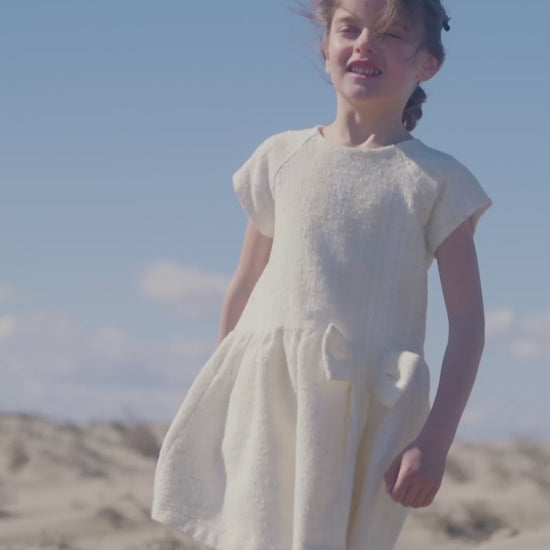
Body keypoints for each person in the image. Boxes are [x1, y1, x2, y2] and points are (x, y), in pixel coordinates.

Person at [151, 0, 492, 548]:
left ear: (428, 63)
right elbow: (246, 283)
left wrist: (435, 441)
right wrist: (221, 393)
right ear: (325, 46)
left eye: (390, 33)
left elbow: (469, 324)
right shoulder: (281, 157)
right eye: (349, 29)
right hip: (270, 398)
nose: (365, 43)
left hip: (374, 412)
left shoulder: (438, 180)